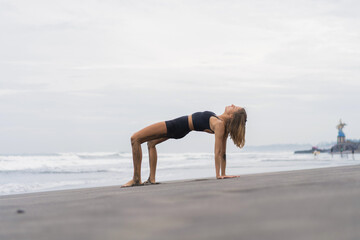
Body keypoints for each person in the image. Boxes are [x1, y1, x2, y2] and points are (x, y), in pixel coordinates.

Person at [122, 104, 247, 187]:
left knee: (135, 138)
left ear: (232, 116)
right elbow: (223, 152)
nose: (232, 105)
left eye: (234, 107)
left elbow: (219, 152)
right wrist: (223, 173)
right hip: (181, 128)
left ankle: (136, 179)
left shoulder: (219, 124)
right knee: (151, 144)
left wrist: (219, 175)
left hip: (177, 126)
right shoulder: (221, 124)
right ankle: (151, 179)